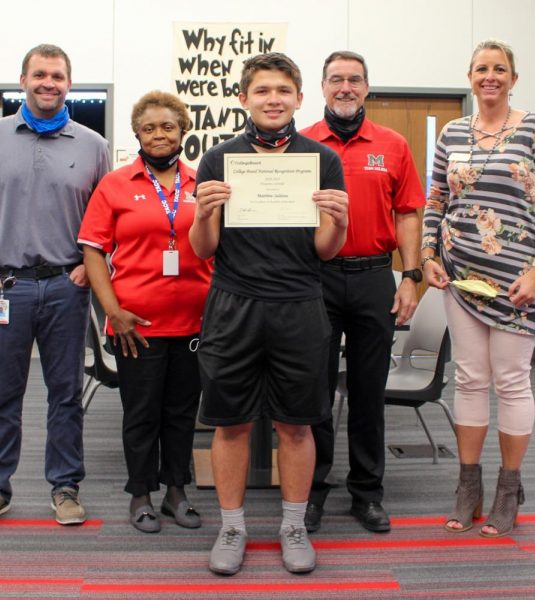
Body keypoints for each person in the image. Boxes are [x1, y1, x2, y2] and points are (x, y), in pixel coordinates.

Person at [190, 52, 349, 575]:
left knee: (296, 425)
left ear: (300, 98)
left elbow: (325, 250)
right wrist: (205, 212)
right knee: (230, 424)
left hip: (300, 304)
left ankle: (292, 525)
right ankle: (232, 526)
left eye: (283, 90)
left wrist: (340, 223)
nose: (273, 99)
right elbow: (201, 249)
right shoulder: (219, 159)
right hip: (233, 304)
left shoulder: (321, 159)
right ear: (244, 99)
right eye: (262, 90)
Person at [0, 43, 110, 529]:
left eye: (58, 75)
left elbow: (107, 220)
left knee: (65, 392)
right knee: (2, 392)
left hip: (67, 285)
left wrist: (89, 267)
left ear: (69, 83)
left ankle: (65, 486)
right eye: (40, 74)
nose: (49, 82)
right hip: (5, 286)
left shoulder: (93, 145)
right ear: (23, 80)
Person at [421, 39, 535, 537]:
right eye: (482, 68)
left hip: (518, 278)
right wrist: (427, 256)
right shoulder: (452, 131)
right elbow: (436, 198)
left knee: (510, 380)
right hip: (461, 274)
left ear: (512, 77)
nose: (490, 76)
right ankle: (469, 488)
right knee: (468, 379)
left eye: (499, 68)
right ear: (469, 76)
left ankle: (509, 489)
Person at [301, 50, 425, 533]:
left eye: (354, 80)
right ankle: (309, 490)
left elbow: (408, 212)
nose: (346, 88)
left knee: (369, 391)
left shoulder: (392, 145)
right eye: (337, 80)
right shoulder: (303, 143)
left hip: (375, 277)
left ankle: (367, 493)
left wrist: (411, 276)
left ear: (367, 88)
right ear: (323, 87)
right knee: (312, 387)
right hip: (316, 278)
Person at [77, 91, 211, 534]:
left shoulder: (201, 184)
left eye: (167, 126)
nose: (158, 135)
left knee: (181, 411)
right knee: (141, 412)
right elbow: (93, 251)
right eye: (149, 128)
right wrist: (113, 312)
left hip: (194, 323)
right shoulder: (114, 185)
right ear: (137, 133)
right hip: (137, 324)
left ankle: (176, 490)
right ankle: (140, 493)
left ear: (183, 132)